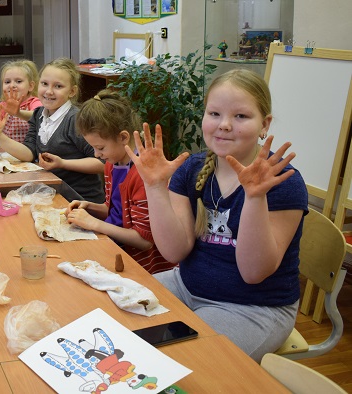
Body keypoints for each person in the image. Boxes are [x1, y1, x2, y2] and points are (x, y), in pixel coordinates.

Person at [127, 68, 308, 362]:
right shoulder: (192, 169)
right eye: (214, 114)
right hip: (186, 286)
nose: (224, 125)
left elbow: (253, 273)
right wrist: (156, 187)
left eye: (240, 116)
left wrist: (254, 196)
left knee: (183, 362)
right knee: (117, 321)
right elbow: (175, 250)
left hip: (252, 307)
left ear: (265, 124)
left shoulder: (283, 181)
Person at [66, 89, 175, 274]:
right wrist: (89, 207)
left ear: (123, 137)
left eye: (100, 147)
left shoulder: (144, 175)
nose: (96, 154)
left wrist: (95, 224)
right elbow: (115, 211)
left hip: (142, 267)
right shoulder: (112, 164)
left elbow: (144, 241)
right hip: (116, 250)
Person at [0, 57, 104, 203]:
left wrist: (63, 163)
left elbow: (102, 163)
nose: (49, 91)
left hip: (80, 201)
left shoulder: (75, 119)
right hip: (53, 194)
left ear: (72, 91)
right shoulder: (40, 114)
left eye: (58, 86)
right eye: (44, 84)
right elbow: (29, 153)